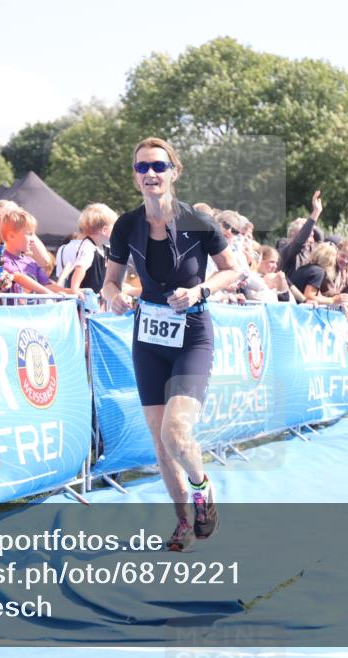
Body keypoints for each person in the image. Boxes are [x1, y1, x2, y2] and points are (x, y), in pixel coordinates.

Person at [100, 137, 240, 552]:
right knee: (159, 440)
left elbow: (233, 271)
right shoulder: (127, 225)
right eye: (142, 168)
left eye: (158, 166)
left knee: (177, 432)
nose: (150, 174)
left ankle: (203, 492)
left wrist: (200, 292)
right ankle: (183, 521)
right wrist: (114, 296)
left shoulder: (198, 221)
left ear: (174, 171)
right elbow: (109, 280)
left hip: (192, 333)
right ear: (135, 176)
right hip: (148, 335)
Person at [0, 209, 77, 297]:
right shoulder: (2, 260)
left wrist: (73, 292)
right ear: (11, 236)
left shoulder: (31, 262)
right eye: (29, 234)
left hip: (32, 310)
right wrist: (52, 294)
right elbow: (18, 277)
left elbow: (47, 285)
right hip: (12, 310)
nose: (33, 240)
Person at [54, 203, 117, 293]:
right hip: (84, 301)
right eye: (114, 226)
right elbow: (80, 268)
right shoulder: (88, 247)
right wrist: (74, 289)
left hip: (93, 299)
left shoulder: (102, 248)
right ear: (104, 230)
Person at [288, 242, 348, 308]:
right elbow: (308, 296)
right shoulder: (319, 272)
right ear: (330, 260)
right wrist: (332, 300)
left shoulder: (306, 267)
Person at [277, 190, 323, 274]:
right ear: (293, 235)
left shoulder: (312, 250)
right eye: (308, 235)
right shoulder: (286, 249)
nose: (311, 239)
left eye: (312, 236)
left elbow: (321, 240)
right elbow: (299, 241)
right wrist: (316, 212)